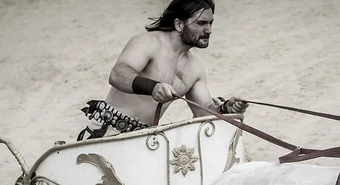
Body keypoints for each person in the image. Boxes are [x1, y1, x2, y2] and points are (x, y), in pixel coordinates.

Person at [78, 0, 249, 140]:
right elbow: (117, 74)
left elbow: (203, 113)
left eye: (211, 23)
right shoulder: (148, 42)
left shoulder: (195, 68)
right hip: (105, 134)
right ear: (179, 24)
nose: (209, 30)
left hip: (145, 142)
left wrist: (227, 110)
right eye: (201, 23)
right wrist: (152, 87)